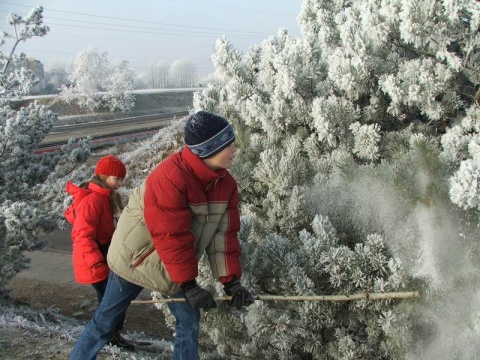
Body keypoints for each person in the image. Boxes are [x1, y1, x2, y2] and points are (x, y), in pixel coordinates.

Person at [68, 111, 255, 360]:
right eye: (227, 144)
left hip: (172, 267)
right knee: (105, 322)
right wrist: (188, 285)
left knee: (189, 323)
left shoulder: (226, 184)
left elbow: (223, 236)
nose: (235, 149)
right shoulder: (170, 178)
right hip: (133, 260)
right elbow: (171, 236)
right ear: (208, 150)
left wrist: (231, 281)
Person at [64, 154, 134, 351]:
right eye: (117, 179)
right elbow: (82, 235)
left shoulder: (106, 196)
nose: (120, 184)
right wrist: (96, 262)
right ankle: (104, 339)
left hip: (103, 256)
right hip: (94, 259)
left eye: (122, 179)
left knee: (112, 301)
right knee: (110, 303)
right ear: (104, 175)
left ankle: (112, 336)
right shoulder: (93, 200)